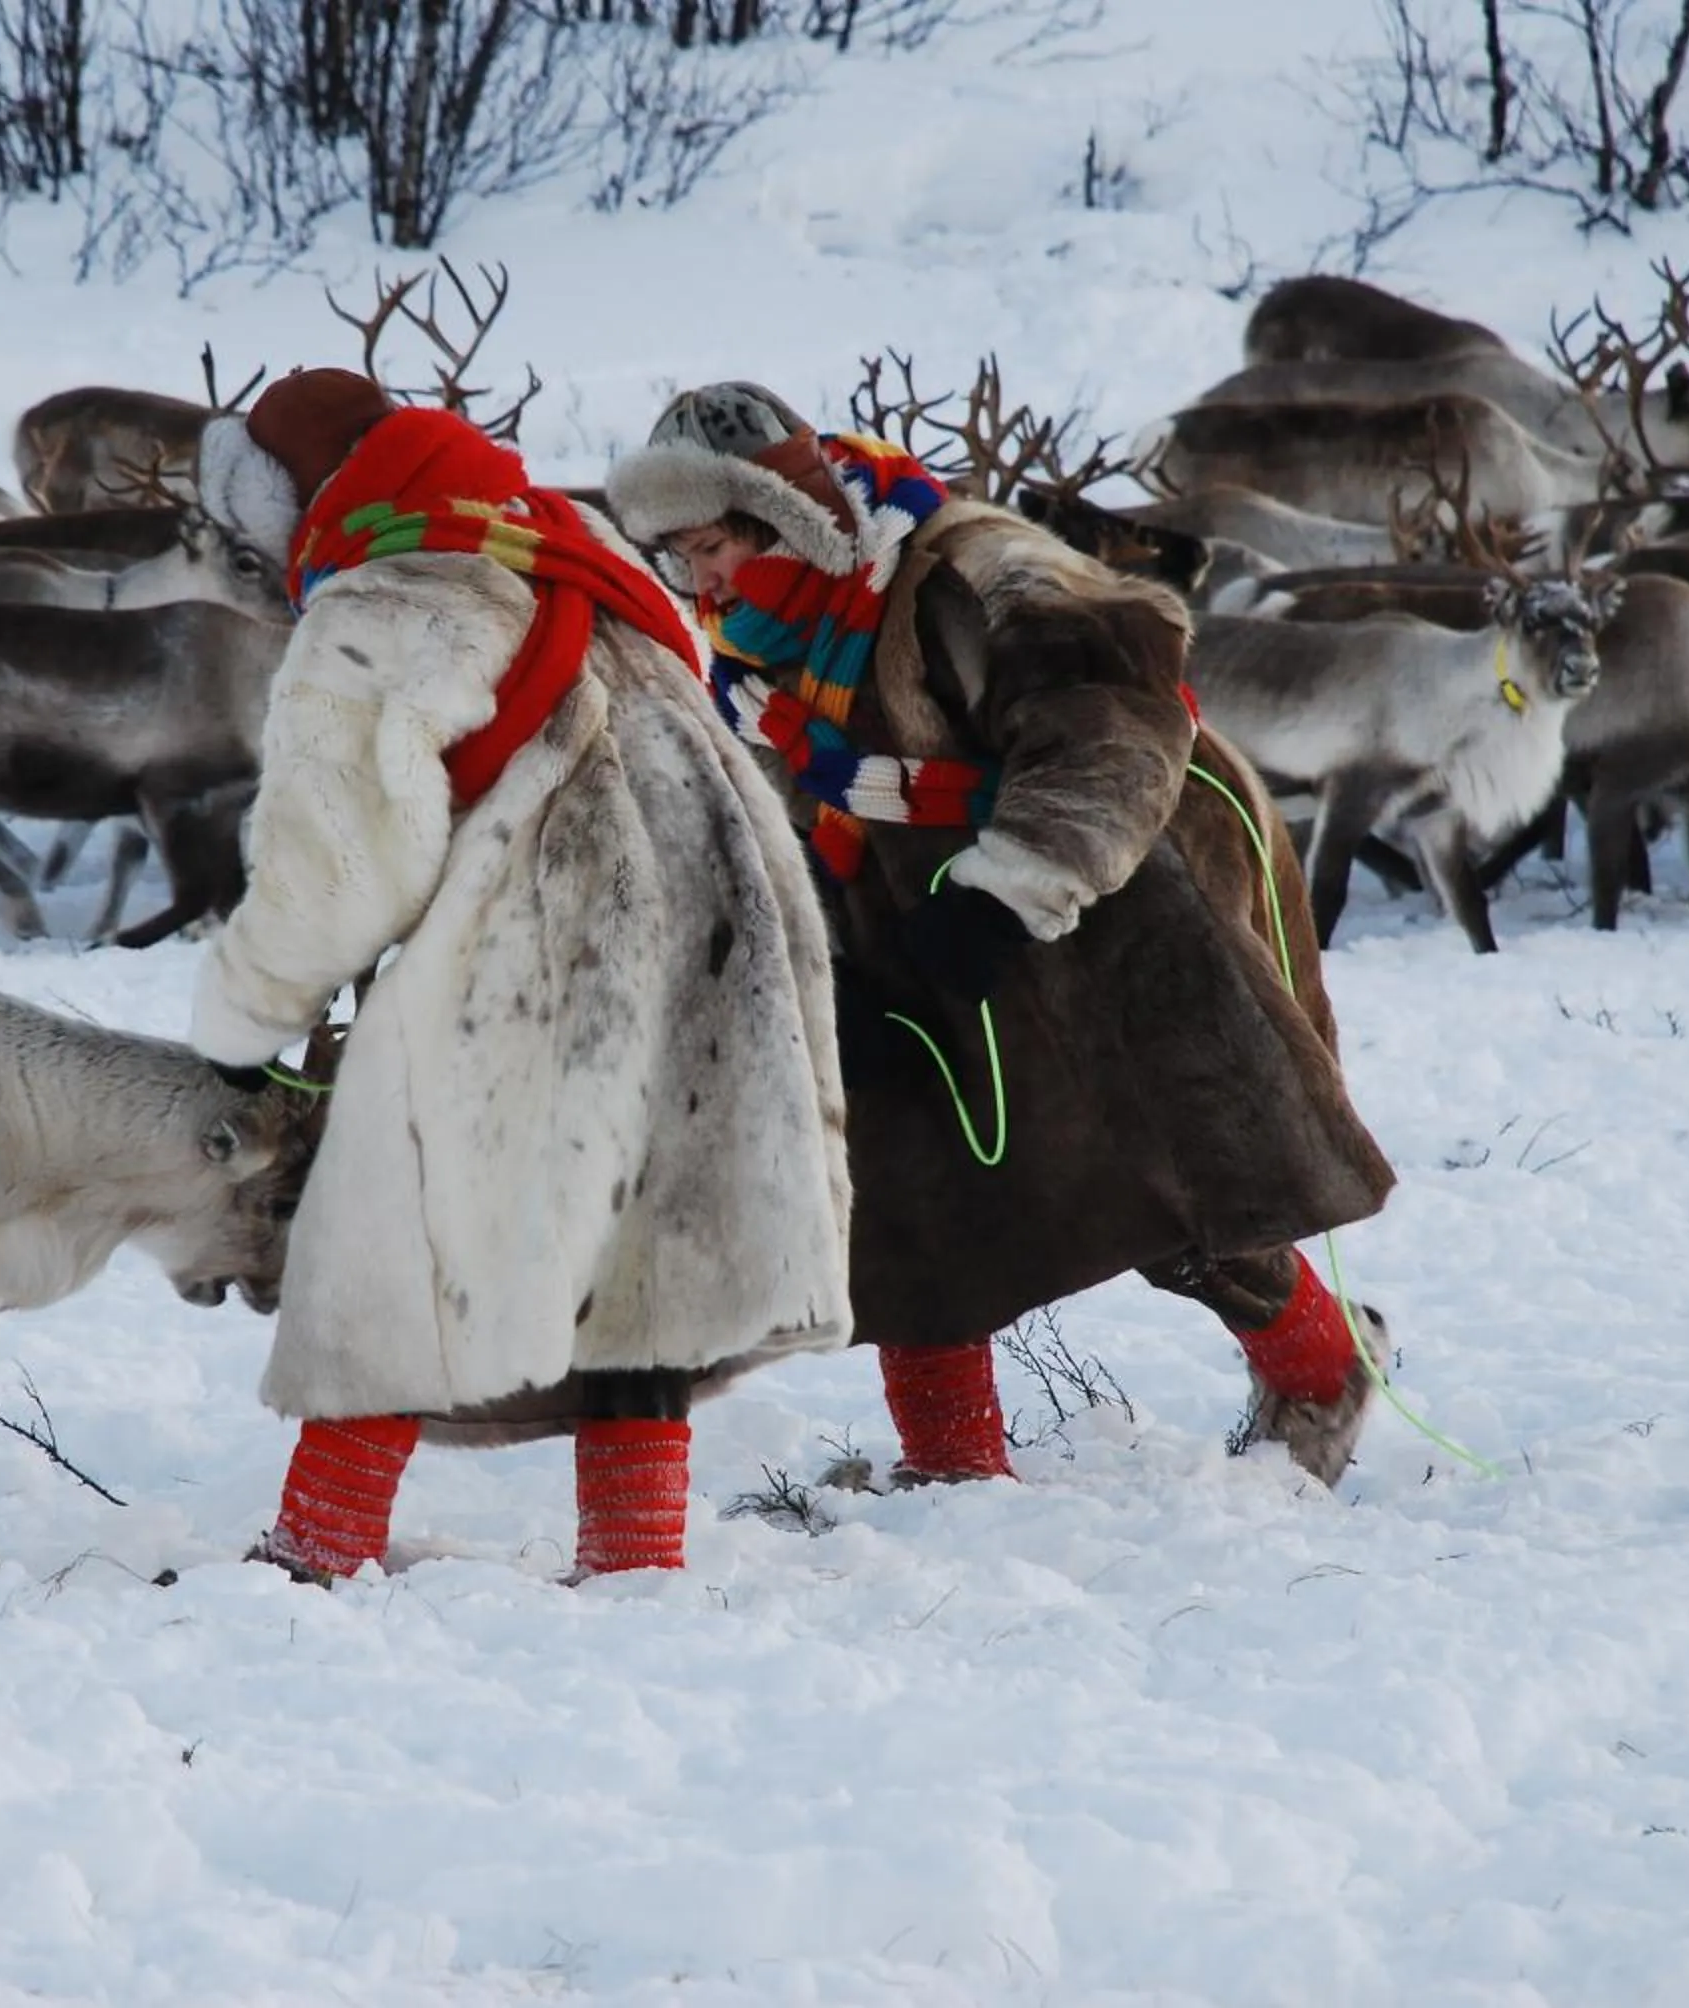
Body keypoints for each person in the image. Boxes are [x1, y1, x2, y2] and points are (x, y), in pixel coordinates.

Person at [603, 383, 1399, 1488]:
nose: (699, 582)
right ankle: (954, 1472)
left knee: (1166, 1170)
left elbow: (1112, 732)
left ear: (777, 517)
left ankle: (1323, 1370)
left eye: (709, 547)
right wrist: (832, 961)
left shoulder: (975, 572)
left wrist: (1002, 894)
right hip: (905, 907)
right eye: (676, 556)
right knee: (899, 1162)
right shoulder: (752, 646)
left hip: (1122, 876)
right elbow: (789, 802)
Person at [186, 368, 853, 1581]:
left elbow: (334, 863)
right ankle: (637, 1558)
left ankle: (318, 1546)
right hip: (716, 937)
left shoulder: (385, 600)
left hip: (536, 952)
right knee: (649, 1250)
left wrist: (251, 1012)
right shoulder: (576, 536)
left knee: (400, 1235)